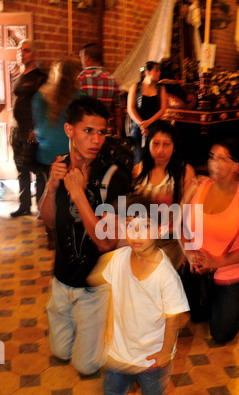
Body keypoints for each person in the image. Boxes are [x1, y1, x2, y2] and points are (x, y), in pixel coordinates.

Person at [85, 194, 189, 395]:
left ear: (160, 229)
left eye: (145, 226)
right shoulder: (119, 259)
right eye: (131, 225)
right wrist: (109, 328)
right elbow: (112, 293)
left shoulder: (165, 275)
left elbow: (175, 318)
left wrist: (165, 352)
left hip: (152, 357)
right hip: (119, 351)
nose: (137, 233)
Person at [40, 95, 131, 375]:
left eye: (101, 132)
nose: (96, 140)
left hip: (94, 287)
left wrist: (78, 194)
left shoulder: (115, 176)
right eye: (88, 131)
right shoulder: (59, 165)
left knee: (86, 366)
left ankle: (111, 330)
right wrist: (53, 186)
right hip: (61, 280)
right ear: (69, 130)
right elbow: (48, 221)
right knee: (60, 351)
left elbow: (106, 241)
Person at [180, 139, 239, 343]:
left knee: (221, 334)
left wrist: (217, 262)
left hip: (230, 273)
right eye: (211, 157)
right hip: (197, 270)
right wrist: (188, 252)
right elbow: (180, 223)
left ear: (236, 166)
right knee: (197, 317)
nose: (213, 164)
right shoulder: (198, 186)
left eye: (222, 159)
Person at [31, 56, 84, 249]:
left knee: (49, 191)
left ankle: (50, 234)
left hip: (47, 155)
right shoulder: (80, 97)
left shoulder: (40, 97)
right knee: (70, 195)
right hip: (71, 154)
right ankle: (67, 232)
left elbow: (39, 127)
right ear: (74, 76)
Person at [133, 120, 196, 270]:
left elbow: (189, 215)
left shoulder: (184, 172)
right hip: (141, 240)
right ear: (148, 144)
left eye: (166, 144)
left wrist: (187, 248)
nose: (160, 150)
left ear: (174, 146)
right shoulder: (138, 170)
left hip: (172, 241)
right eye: (155, 144)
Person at [10, 39, 47, 217]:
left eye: (26, 50)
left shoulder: (41, 78)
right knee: (20, 170)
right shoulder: (18, 77)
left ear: (35, 55)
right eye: (19, 50)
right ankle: (24, 205)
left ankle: (41, 207)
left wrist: (38, 128)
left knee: (38, 171)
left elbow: (46, 106)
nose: (21, 53)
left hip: (32, 132)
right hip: (17, 131)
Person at [78, 43, 123, 136]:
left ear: (86, 57)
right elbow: (118, 114)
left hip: (85, 134)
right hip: (106, 133)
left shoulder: (78, 80)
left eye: (81, 57)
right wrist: (119, 135)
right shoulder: (114, 81)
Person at [127, 61, 167, 165]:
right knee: (138, 158)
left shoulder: (161, 88)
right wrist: (142, 125)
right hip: (138, 126)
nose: (159, 73)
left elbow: (163, 109)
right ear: (148, 72)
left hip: (154, 125)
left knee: (154, 158)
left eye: (160, 71)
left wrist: (149, 122)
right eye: (156, 71)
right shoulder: (135, 87)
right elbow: (131, 109)